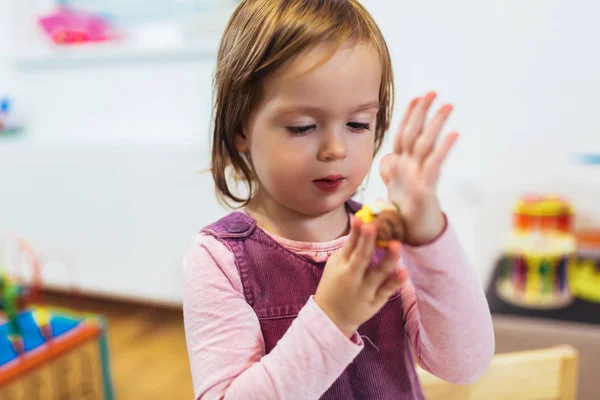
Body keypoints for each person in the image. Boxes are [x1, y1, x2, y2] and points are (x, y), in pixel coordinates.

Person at [183, 1, 494, 399]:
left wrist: (430, 238)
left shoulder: (387, 239)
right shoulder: (217, 261)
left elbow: (464, 364)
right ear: (240, 126)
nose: (335, 149)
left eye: (357, 124)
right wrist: (332, 318)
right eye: (303, 127)